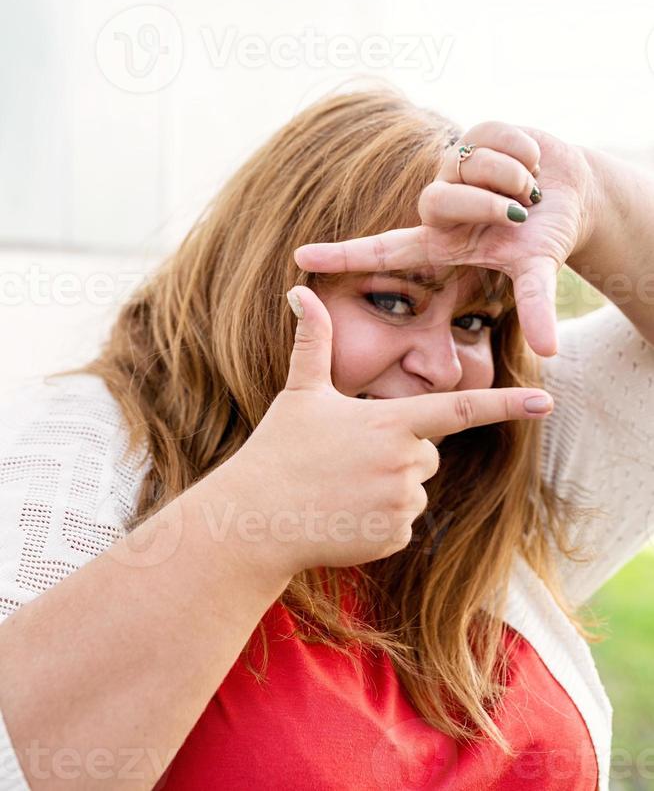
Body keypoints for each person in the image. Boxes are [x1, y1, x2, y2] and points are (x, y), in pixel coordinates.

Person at [0, 88, 652, 791]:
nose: (441, 365)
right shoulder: (79, 447)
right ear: (266, 283)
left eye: (475, 321)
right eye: (393, 299)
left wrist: (590, 191)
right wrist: (260, 517)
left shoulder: (494, 462)